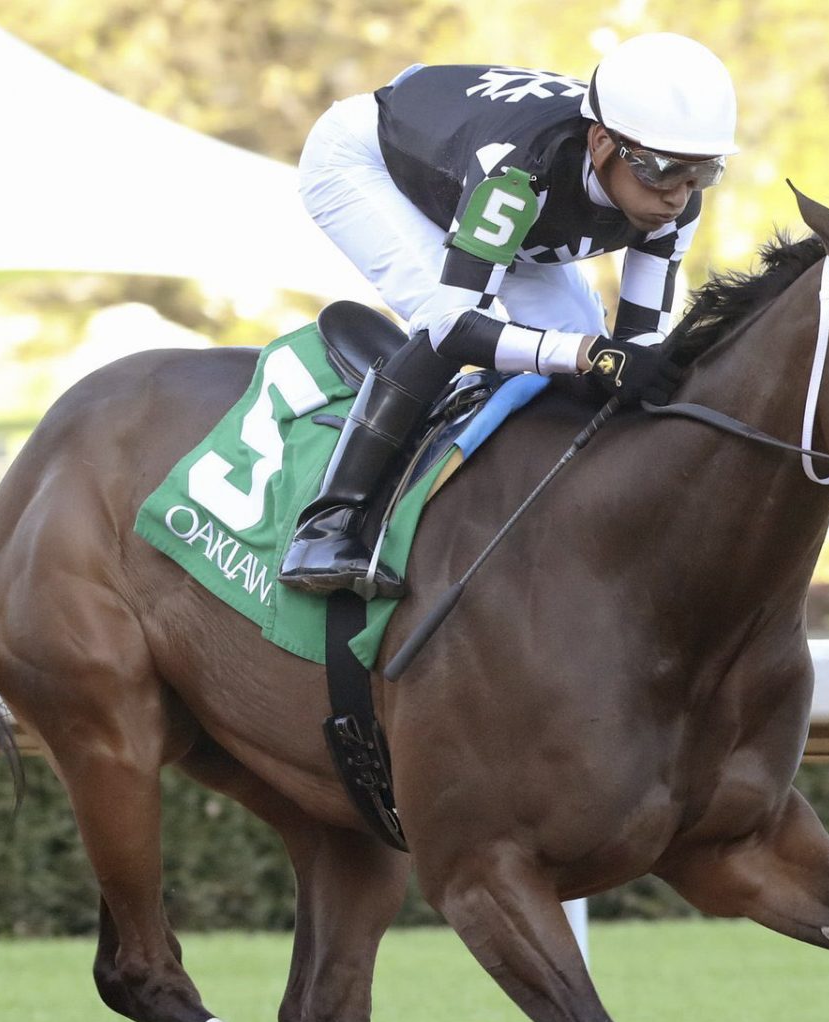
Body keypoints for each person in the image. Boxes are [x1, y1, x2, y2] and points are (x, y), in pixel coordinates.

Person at [281, 33, 739, 598]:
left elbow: (640, 343)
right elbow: (455, 327)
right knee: (442, 324)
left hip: (503, 208)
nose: (678, 195)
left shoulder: (675, 195)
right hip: (371, 162)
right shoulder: (519, 176)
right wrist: (587, 354)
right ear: (601, 143)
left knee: (599, 369)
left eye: (704, 173)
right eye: (664, 170)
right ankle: (326, 526)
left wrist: (613, 361)